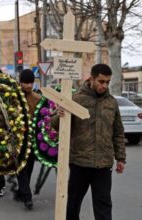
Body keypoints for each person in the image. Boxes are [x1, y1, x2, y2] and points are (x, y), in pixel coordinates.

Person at [57, 64, 126, 220]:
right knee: (72, 206)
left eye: (107, 82)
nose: (104, 85)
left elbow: (118, 132)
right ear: (91, 79)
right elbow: (56, 125)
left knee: (104, 207)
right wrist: (59, 114)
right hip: (80, 163)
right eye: (101, 81)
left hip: (103, 164)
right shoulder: (76, 99)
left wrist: (121, 158)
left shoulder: (111, 103)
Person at [13, 69, 41, 210]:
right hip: (17, 139)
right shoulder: (12, 96)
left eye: (31, 82)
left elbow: (41, 117)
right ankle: (27, 197)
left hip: (31, 138)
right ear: (20, 82)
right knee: (21, 167)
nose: (29, 85)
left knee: (29, 166)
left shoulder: (37, 98)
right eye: (26, 82)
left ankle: (20, 192)